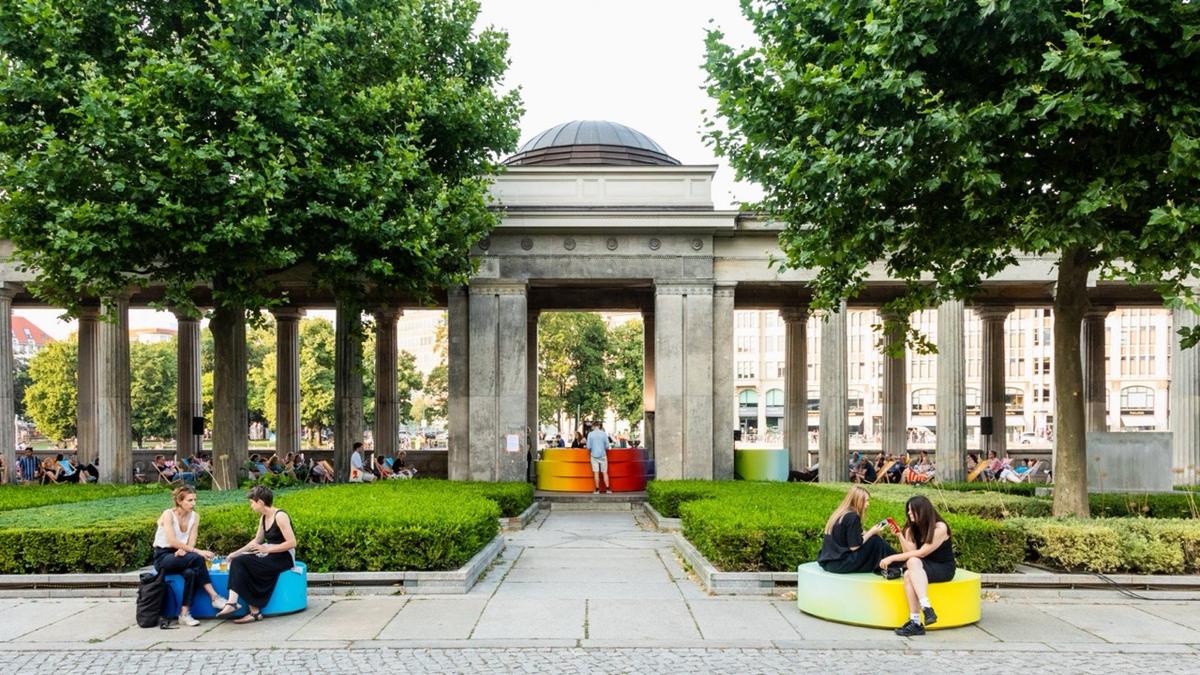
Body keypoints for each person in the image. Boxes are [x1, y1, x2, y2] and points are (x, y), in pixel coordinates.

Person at [216, 486, 298, 624]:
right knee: (239, 561)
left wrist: (266, 550)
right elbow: (257, 541)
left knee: (242, 563)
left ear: (260, 502)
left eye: (252, 503)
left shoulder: (280, 516)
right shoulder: (263, 517)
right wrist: (235, 553)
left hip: (284, 557)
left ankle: (235, 604)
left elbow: (292, 543)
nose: (251, 506)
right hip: (270, 554)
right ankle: (251, 611)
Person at [879, 495, 956, 636]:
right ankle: (916, 621)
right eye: (908, 510)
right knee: (908, 572)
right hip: (921, 567)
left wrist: (892, 558)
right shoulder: (912, 528)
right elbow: (910, 553)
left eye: (911, 510)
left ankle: (926, 607)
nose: (908, 513)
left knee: (912, 563)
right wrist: (900, 536)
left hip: (943, 567)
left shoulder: (940, 528)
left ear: (922, 511)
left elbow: (921, 553)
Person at [153, 486, 227, 627]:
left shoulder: (195, 516)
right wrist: (196, 551)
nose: (193, 503)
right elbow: (172, 541)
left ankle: (184, 614)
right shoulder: (168, 514)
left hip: (182, 555)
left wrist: (186, 551)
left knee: (191, 573)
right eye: (189, 500)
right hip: (163, 556)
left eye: (195, 500)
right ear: (179, 501)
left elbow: (192, 540)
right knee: (198, 558)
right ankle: (214, 596)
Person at [818, 486, 896, 573]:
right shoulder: (853, 516)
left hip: (828, 563)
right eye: (866, 500)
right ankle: (898, 560)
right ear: (858, 501)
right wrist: (872, 532)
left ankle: (896, 559)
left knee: (873, 539)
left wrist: (866, 533)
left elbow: (847, 538)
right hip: (841, 563)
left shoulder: (840, 514)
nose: (868, 504)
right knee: (875, 541)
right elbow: (854, 547)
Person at [586, 422, 611, 494]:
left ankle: (597, 489)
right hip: (603, 455)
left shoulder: (590, 434)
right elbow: (607, 446)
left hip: (594, 456)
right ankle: (608, 489)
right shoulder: (604, 434)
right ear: (599, 426)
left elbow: (588, 447)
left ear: (593, 426)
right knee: (605, 472)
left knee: (596, 472)